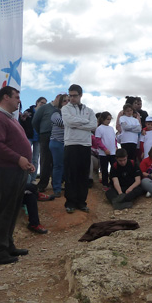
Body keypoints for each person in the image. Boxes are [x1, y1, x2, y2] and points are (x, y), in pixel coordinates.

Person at [0, 86, 34, 265]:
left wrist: (25, 161)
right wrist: (19, 158)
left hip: (16, 170)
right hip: (4, 171)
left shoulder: (9, 118)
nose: (19, 100)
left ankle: (8, 245)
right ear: (5, 97)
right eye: (16, 97)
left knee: (13, 209)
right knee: (4, 209)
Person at [61, 84, 97, 213]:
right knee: (71, 175)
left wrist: (79, 124)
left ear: (80, 95)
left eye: (74, 95)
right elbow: (69, 122)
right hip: (71, 144)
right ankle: (70, 203)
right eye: (70, 95)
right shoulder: (65, 109)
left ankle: (82, 202)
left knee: (83, 175)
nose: (72, 98)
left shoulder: (89, 110)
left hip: (85, 145)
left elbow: (94, 125)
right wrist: (85, 122)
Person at [32, 95, 58, 192]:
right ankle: (42, 184)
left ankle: (57, 183)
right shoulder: (44, 108)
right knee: (45, 160)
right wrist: (42, 131)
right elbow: (35, 121)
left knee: (57, 161)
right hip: (45, 135)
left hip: (59, 137)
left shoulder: (62, 109)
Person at [49, 94, 68, 198]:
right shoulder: (55, 112)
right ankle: (56, 188)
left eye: (68, 100)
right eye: (64, 101)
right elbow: (60, 122)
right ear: (60, 102)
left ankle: (61, 184)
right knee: (58, 165)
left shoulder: (70, 114)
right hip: (57, 142)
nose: (67, 102)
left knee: (65, 165)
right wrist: (74, 123)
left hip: (67, 143)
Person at [95, 112, 117, 189]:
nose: (109, 121)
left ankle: (112, 182)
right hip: (103, 153)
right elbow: (98, 141)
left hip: (112, 152)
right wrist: (104, 149)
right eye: (107, 119)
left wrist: (116, 146)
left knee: (113, 168)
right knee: (104, 169)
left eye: (110, 119)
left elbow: (114, 139)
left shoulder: (111, 128)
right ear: (103, 119)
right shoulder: (99, 128)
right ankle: (105, 183)